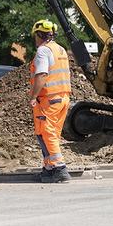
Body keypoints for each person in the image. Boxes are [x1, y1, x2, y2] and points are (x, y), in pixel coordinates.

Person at [29, 19, 72, 183]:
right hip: (63, 97)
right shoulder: (60, 49)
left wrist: (33, 96)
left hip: (48, 99)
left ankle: (60, 168)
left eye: (35, 36)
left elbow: (41, 75)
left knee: (47, 133)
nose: (35, 39)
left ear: (39, 35)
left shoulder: (43, 51)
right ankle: (48, 169)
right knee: (49, 133)